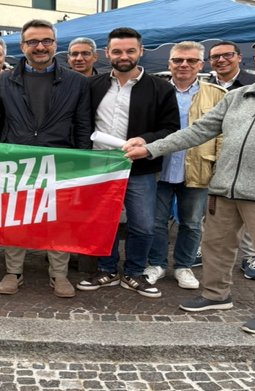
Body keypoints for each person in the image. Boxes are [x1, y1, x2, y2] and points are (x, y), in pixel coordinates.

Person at [124, 32, 255, 335]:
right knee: (215, 247)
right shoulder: (238, 96)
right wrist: (150, 149)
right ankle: (216, 295)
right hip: (224, 188)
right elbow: (197, 131)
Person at [0, 18, 92, 298]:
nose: (40, 46)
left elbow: (83, 125)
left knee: (59, 220)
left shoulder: (76, 81)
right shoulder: (3, 81)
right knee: (15, 219)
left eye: (46, 40)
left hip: (62, 161)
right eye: (33, 41)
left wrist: (81, 163)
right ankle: (13, 271)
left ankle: (59, 274)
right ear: (22, 46)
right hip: (15, 160)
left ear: (55, 44)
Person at [77, 27, 180, 298]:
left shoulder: (161, 88)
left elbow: (171, 129)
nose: (124, 56)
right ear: (107, 53)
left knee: (143, 225)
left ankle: (134, 272)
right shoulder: (92, 85)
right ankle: (107, 270)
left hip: (139, 167)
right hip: (99, 166)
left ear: (141, 51)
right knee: (103, 222)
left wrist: (144, 141)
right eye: (117, 51)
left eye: (130, 50)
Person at [144, 42, 226, 290]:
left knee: (191, 223)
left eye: (191, 60)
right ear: (169, 64)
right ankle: (156, 264)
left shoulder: (217, 94)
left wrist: (218, 167)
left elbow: (223, 134)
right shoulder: (155, 90)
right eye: (178, 60)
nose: (184, 65)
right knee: (155, 222)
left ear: (201, 65)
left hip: (198, 167)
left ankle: (183, 266)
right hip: (159, 167)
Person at [206, 41, 255, 280]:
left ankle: (251, 257)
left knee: (249, 210)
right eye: (215, 57)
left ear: (239, 57)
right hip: (210, 155)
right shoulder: (204, 86)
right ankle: (211, 265)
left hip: (246, 157)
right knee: (210, 210)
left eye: (227, 55)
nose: (221, 60)